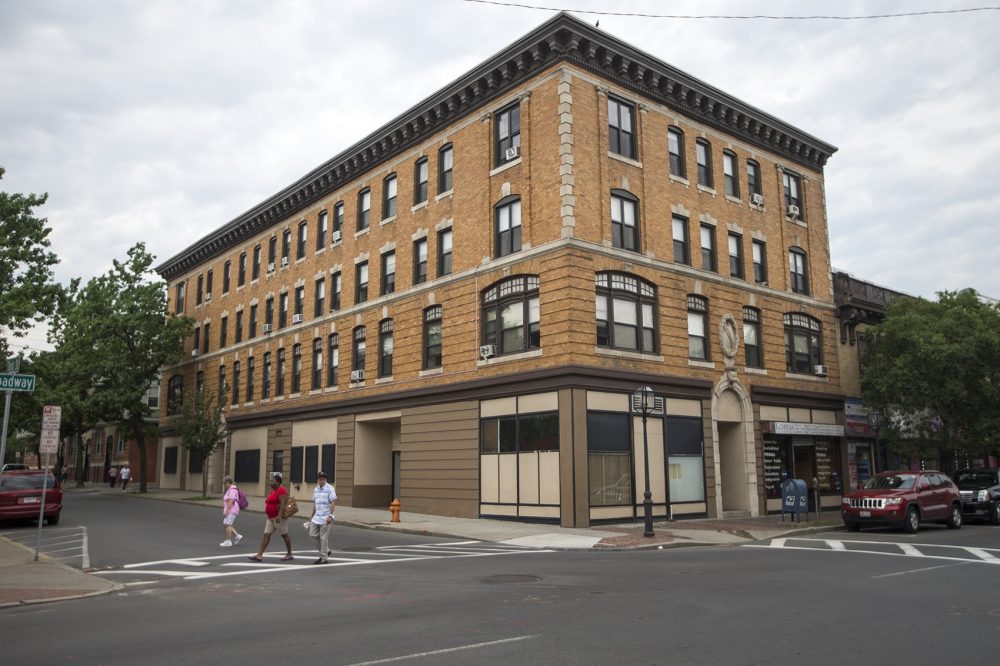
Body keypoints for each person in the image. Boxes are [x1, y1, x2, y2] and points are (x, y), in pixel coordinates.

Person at [248, 472, 293, 561]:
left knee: (284, 534)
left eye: (273, 481)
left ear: (278, 482)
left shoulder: (281, 490)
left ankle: (289, 553)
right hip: (270, 517)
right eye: (270, 481)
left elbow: (283, 504)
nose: (271, 482)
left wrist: (279, 517)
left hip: (278, 517)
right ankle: (259, 555)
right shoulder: (273, 491)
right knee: (266, 535)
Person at [307, 471, 337, 564]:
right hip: (317, 517)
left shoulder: (330, 488)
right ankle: (327, 550)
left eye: (324, 479)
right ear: (317, 480)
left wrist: (330, 516)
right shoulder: (316, 489)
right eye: (321, 479)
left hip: (326, 517)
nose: (322, 481)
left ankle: (323, 558)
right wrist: (312, 516)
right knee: (312, 534)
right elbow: (315, 504)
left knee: (323, 538)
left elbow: (333, 503)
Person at [220, 476, 243, 547]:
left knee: (228, 524)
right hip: (231, 509)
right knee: (225, 524)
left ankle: (228, 541)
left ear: (228, 482)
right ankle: (237, 535)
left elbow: (231, 501)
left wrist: (226, 511)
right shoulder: (231, 489)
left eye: (224, 483)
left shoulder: (232, 490)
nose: (224, 485)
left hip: (232, 510)